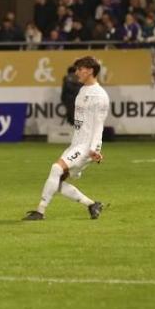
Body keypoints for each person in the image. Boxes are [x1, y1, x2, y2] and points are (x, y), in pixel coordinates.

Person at [24, 56, 109, 221]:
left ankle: (40, 212)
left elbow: (99, 125)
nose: (76, 72)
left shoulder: (99, 96)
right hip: (76, 144)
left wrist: (95, 149)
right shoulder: (83, 90)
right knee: (56, 181)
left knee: (56, 169)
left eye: (80, 69)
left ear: (90, 70)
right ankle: (92, 204)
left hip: (86, 147)